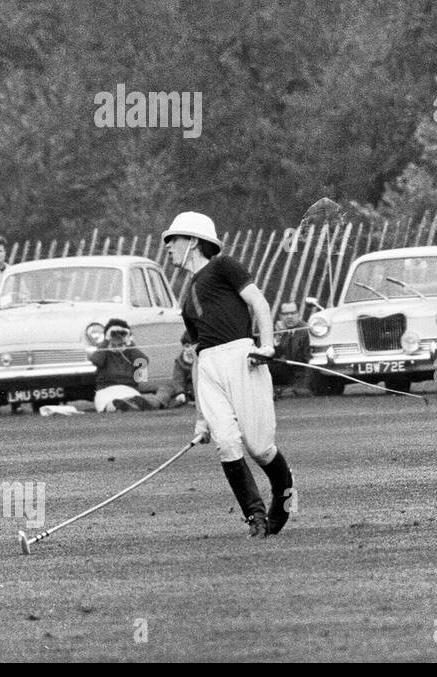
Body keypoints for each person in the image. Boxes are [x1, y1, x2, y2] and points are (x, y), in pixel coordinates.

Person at [164, 211, 296, 538]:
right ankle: (255, 515)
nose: (167, 247)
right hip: (209, 367)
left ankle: (284, 495)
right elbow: (196, 358)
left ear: (193, 241)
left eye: (173, 240)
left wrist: (266, 347)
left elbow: (260, 304)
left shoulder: (224, 266)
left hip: (242, 358)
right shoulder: (186, 302)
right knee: (225, 443)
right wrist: (199, 417)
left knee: (260, 447)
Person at [88, 318, 172, 411]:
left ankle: (133, 404)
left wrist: (129, 343)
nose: (117, 336)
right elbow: (96, 360)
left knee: (164, 388)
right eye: (114, 333)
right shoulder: (104, 352)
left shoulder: (130, 353)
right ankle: (126, 405)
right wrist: (107, 339)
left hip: (129, 391)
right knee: (111, 403)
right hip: (107, 391)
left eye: (121, 333)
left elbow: (143, 362)